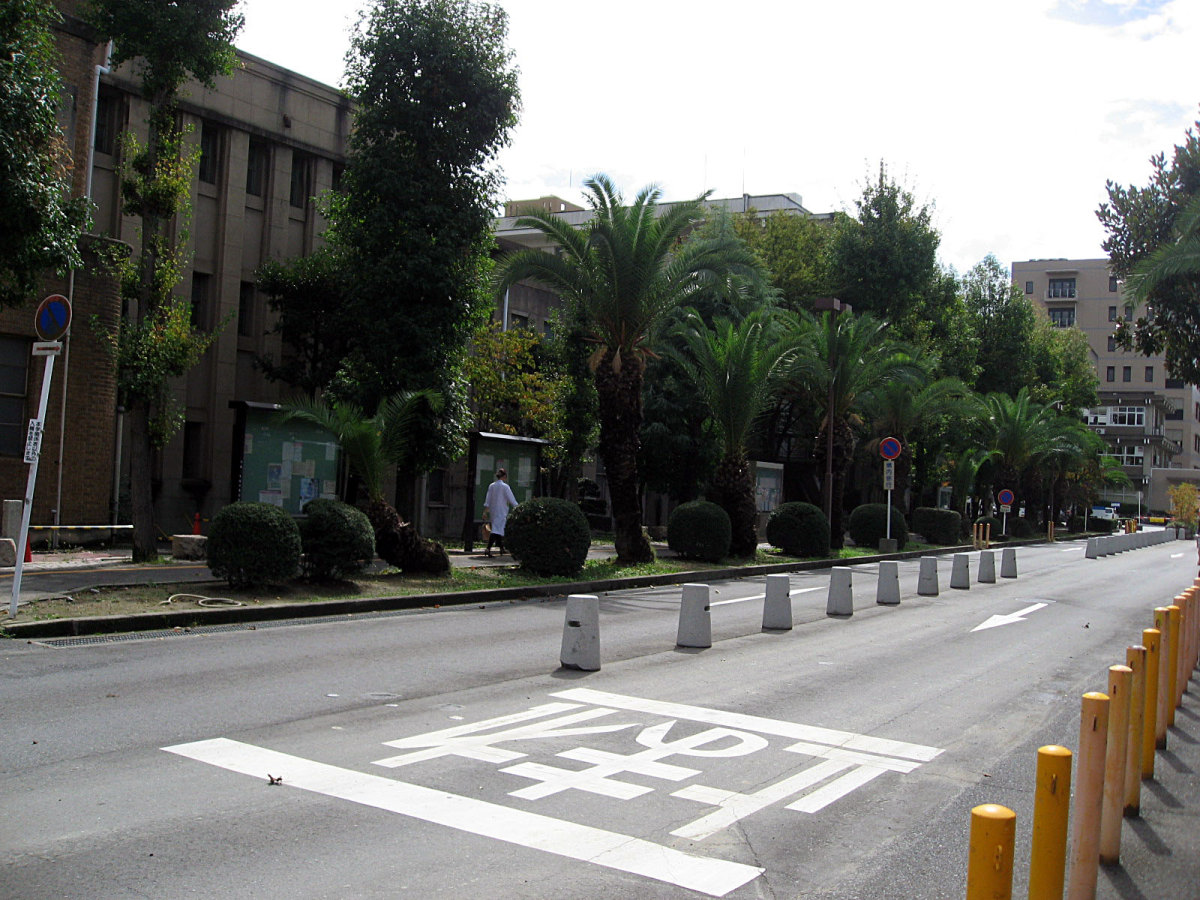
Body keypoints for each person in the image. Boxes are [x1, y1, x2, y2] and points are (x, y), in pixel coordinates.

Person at [483, 468, 519, 557]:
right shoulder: (505, 487)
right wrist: (518, 507)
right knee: (496, 530)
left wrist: (485, 511)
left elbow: (488, 499)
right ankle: (488, 548)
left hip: (493, 510)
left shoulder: (491, 486)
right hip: (502, 510)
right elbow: (512, 499)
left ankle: (501, 548)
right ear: (504, 476)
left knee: (497, 528)